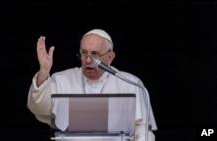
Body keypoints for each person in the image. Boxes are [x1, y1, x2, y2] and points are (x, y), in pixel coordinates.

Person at [27, 29, 158, 141]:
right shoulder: (61, 80)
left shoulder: (130, 83)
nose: (88, 60)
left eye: (95, 54)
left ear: (110, 57)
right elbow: (38, 109)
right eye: (84, 53)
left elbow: (143, 130)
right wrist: (44, 71)